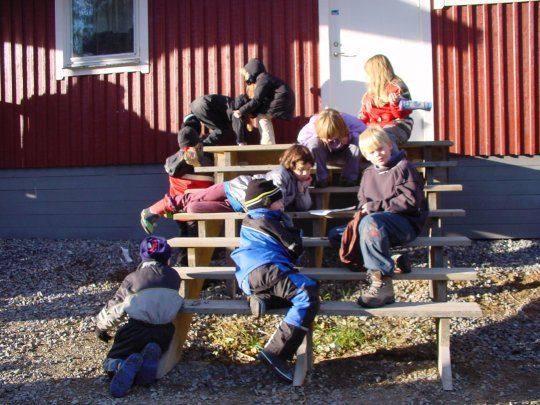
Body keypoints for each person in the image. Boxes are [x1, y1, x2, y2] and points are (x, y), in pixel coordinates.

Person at [230, 179, 320, 383]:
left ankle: (263, 298)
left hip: (250, 274)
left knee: (298, 288)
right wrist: (292, 228)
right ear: (267, 203)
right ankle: (276, 352)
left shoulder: (251, 219)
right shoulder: (269, 220)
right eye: (279, 201)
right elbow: (294, 248)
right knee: (307, 293)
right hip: (268, 268)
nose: (283, 205)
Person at [328, 127, 427, 307]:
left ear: (389, 145)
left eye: (381, 148)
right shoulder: (368, 173)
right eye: (372, 152)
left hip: (403, 223)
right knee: (337, 235)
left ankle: (383, 284)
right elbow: (362, 200)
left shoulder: (404, 167)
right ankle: (393, 260)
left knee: (371, 222)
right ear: (366, 155)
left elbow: (410, 201)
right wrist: (363, 211)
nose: (378, 154)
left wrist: (375, 207)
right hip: (374, 226)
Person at [95, 236, 183, 398]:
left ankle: (119, 366)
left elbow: (116, 307)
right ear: (168, 257)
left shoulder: (133, 279)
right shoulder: (174, 278)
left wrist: (101, 326)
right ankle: (147, 366)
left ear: (142, 256)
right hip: (164, 331)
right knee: (153, 349)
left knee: (115, 356)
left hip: (136, 330)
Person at [174, 144, 314, 213]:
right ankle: (172, 203)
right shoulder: (280, 174)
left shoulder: (299, 183)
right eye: (301, 169)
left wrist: (302, 191)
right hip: (234, 188)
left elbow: (304, 207)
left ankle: (180, 208)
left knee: (193, 208)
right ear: (291, 165)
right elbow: (276, 200)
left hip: (239, 205)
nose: (305, 173)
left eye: (308, 170)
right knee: (195, 198)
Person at [140, 114, 214, 234]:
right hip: (192, 204)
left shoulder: (172, 161)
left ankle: (157, 210)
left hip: (180, 205)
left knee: (185, 232)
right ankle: (156, 210)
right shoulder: (206, 157)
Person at [297, 108, 366, 188]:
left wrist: (349, 136)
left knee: (357, 141)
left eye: (333, 136)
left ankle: (348, 179)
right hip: (324, 153)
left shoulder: (349, 121)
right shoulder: (313, 125)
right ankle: (322, 179)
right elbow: (301, 138)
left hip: (346, 152)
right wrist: (318, 137)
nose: (330, 140)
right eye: (327, 137)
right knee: (314, 144)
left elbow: (365, 132)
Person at [233, 58, 295, 145]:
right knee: (262, 114)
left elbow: (257, 100)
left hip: (282, 99)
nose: (246, 76)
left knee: (262, 116)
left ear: (253, 71)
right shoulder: (264, 78)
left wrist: (240, 111)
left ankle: (268, 144)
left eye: (247, 73)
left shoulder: (262, 79)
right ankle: (268, 142)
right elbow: (262, 101)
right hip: (284, 99)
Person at [358, 54, 414, 147]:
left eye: (369, 74)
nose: (367, 77)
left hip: (398, 126)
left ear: (377, 73)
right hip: (376, 128)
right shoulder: (369, 94)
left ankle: (394, 156)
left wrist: (395, 103)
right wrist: (355, 126)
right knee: (359, 137)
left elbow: (401, 114)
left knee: (383, 137)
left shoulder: (397, 87)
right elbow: (364, 115)